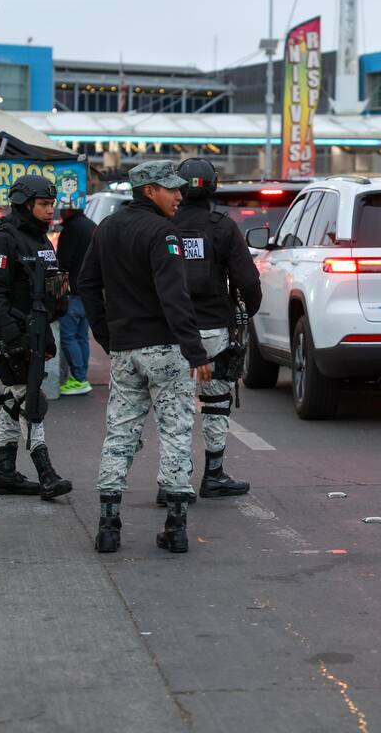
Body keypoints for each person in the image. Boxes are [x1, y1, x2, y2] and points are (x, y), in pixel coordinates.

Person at [77, 160, 212, 555]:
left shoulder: (106, 228)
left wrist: (106, 335)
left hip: (125, 350)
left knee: (120, 432)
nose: (179, 195)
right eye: (171, 189)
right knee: (175, 431)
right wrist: (195, 350)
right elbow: (174, 294)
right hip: (164, 348)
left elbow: (87, 284)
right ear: (149, 191)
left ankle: (108, 526)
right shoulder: (162, 232)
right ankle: (176, 527)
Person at [0, 175, 74, 500]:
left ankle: (5, 473)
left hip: (37, 333)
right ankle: (47, 474)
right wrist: (13, 338)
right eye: (43, 204)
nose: (50, 210)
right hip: (11, 339)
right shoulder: (3, 241)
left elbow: (52, 289)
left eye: (52, 204)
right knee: (30, 402)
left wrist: (52, 317)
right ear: (24, 204)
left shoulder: (43, 242)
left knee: (13, 401)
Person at [173, 157, 261, 502]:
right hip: (214, 331)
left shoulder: (163, 226)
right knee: (217, 402)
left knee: (175, 409)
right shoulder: (223, 228)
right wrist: (247, 312)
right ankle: (214, 475)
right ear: (213, 187)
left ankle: (174, 481)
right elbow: (248, 281)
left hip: (172, 332)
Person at [54, 193, 97, 395]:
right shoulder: (91, 226)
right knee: (81, 337)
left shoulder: (71, 229)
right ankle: (81, 376)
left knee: (68, 337)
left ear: (69, 209)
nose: (60, 212)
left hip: (72, 292)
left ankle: (79, 379)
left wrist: (57, 290)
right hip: (88, 292)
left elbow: (63, 263)